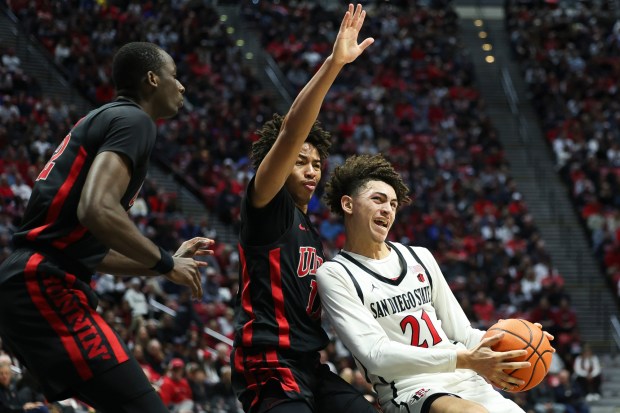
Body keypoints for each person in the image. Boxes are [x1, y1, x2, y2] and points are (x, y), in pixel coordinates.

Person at [0, 42, 214, 413]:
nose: (182, 87)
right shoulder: (135, 121)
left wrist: (161, 262)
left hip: (29, 280)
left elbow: (91, 251)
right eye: (174, 77)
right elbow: (97, 208)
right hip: (43, 282)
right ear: (151, 80)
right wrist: (164, 263)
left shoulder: (107, 119)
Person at [316, 154, 555, 413]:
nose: (388, 209)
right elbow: (376, 356)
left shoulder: (420, 257)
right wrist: (463, 359)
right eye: (378, 199)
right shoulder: (335, 274)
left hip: (465, 377)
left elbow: (462, 333)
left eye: (394, 204)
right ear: (348, 205)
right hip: (409, 388)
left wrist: (513, 344)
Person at [230, 4, 377, 413]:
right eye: (301, 160)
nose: (311, 170)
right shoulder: (266, 203)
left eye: (316, 163)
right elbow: (294, 128)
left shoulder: (309, 228)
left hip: (311, 365)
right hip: (269, 363)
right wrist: (334, 64)